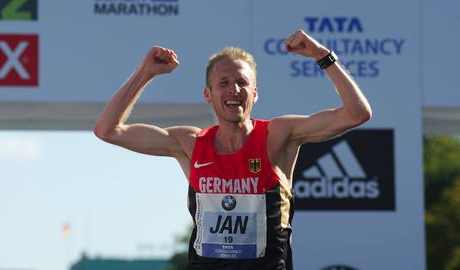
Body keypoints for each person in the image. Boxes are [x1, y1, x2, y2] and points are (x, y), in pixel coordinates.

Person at [94, 29, 372, 270]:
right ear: (208, 94)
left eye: (242, 82)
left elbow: (356, 114)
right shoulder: (190, 143)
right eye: (224, 83)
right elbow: (107, 130)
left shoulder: (278, 135)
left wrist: (322, 55)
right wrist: (145, 72)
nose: (234, 90)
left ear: (255, 93)